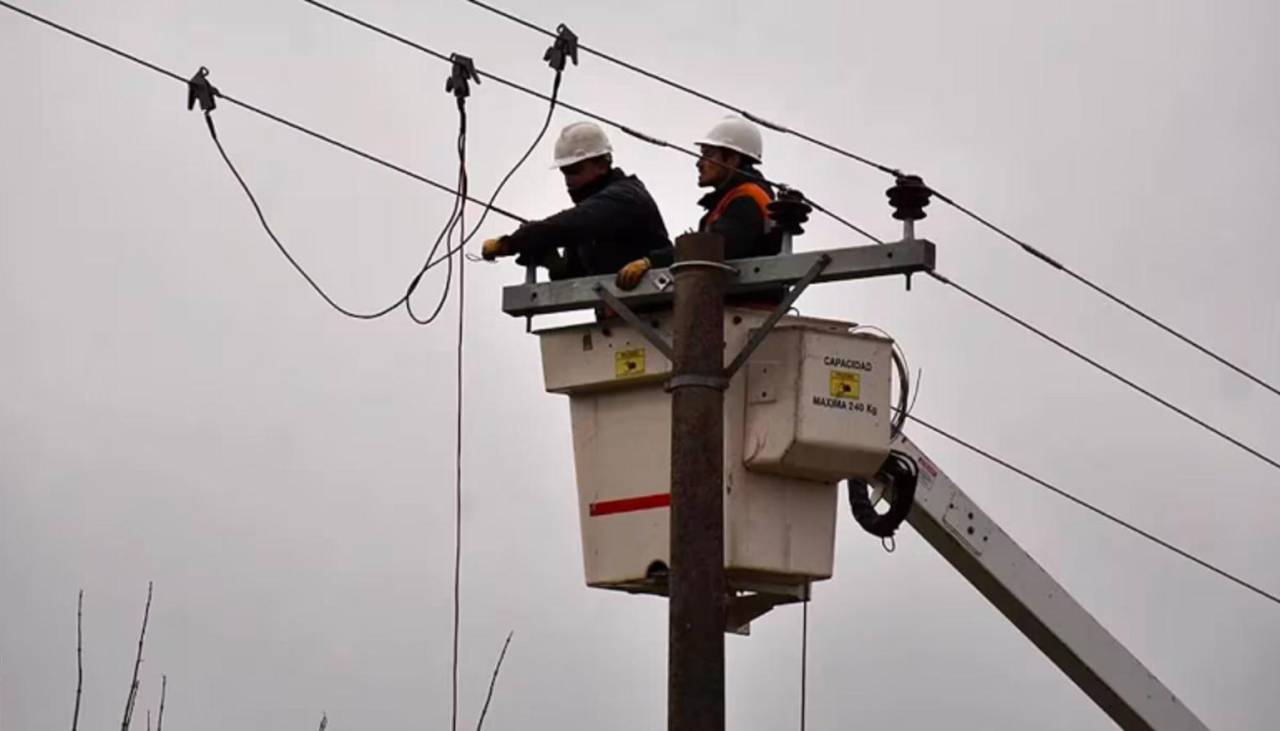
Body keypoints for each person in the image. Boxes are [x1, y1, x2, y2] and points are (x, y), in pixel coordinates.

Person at [481, 121, 670, 280]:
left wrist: (513, 242)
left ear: (602, 165)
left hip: (661, 313)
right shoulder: (589, 224)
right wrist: (551, 261)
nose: (568, 180)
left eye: (574, 171)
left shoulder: (624, 197)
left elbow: (568, 225)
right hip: (620, 318)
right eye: (564, 172)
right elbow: (575, 274)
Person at [616, 116, 779, 291]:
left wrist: (652, 261)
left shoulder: (747, 199)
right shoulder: (731, 200)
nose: (699, 163)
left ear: (732, 159)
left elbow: (707, 250)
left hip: (747, 307)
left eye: (708, 155)